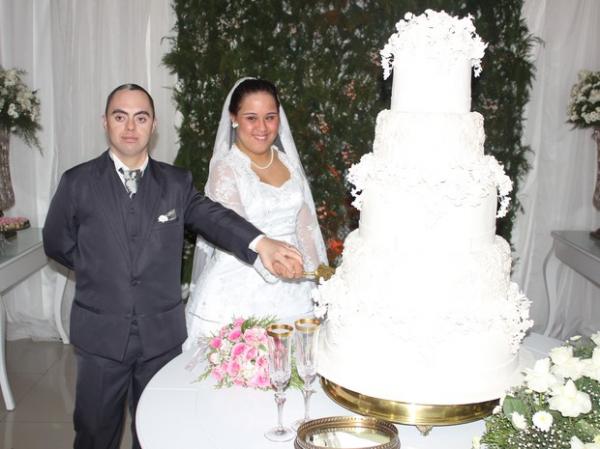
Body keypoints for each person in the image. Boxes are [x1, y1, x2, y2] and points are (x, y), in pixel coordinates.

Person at [43, 83, 305, 449]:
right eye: (120, 117)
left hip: (160, 338)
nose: (130, 127)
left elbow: (215, 218)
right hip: (100, 336)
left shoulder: (176, 183)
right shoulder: (77, 183)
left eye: (141, 117)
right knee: (94, 434)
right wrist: (100, 271)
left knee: (157, 432)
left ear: (154, 125)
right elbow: (57, 243)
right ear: (105, 122)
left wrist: (261, 243)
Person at [183, 78, 328, 347]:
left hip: (297, 281)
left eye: (270, 117)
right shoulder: (226, 169)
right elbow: (234, 231)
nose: (262, 128)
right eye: (251, 117)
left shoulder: (288, 162)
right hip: (241, 282)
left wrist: (315, 275)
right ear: (234, 118)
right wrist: (279, 267)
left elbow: (306, 229)